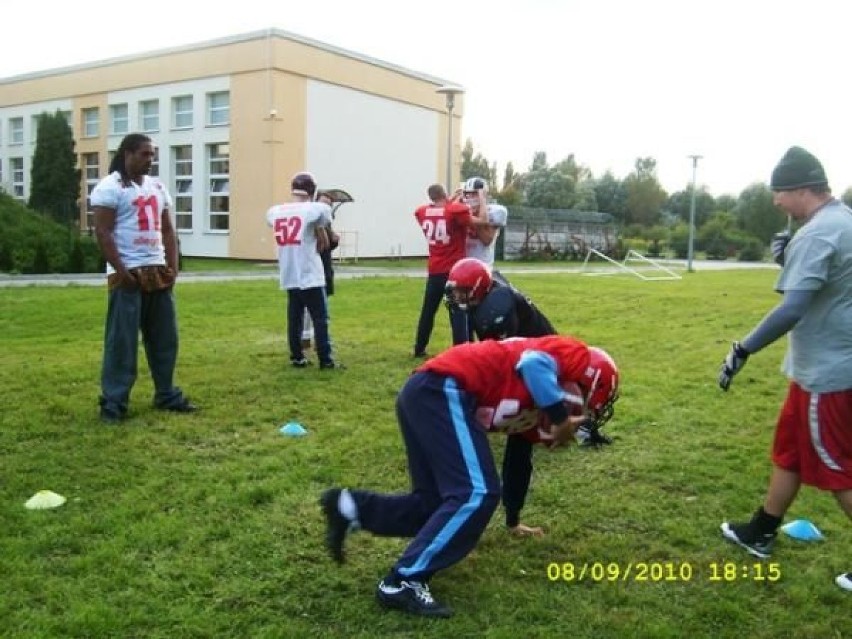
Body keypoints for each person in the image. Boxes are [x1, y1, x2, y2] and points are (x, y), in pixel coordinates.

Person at [320, 336, 620, 617]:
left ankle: (350, 507)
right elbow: (532, 364)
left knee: (435, 505)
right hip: (442, 388)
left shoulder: (537, 402)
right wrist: (560, 417)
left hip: (428, 394)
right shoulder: (574, 355)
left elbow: (518, 460)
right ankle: (403, 581)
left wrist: (513, 520)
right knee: (476, 493)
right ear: (593, 381)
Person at [716, 146, 852, 592]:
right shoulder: (842, 222)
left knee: (839, 471)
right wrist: (786, 259)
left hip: (828, 375)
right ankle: (762, 529)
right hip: (821, 368)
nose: (775, 201)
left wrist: (744, 348)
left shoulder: (818, 234)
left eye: (779, 192)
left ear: (799, 189)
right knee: (790, 451)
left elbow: (792, 308)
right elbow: (830, 285)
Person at [445, 257, 611, 447]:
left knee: (527, 400)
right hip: (532, 352)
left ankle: (579, 428)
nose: (456, 296)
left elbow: (506, 359)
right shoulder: (490, 292)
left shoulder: (496, 309)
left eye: (462, 291)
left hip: (541, 357)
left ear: (477, 287)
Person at [91, 133, 196, 423]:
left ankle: (166, 393)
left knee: (165, 338)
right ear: (128, 154)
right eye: (145, 154)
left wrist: (173, 268)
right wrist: (121, 272)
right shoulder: (109, 188)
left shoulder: (157, 187)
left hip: (157, 271)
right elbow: (102, 232)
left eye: (152, 154)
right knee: (122, 343)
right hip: (128, 274)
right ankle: (113, 402)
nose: (150, 159)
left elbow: (167, 231)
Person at [265, 172, 342, 369]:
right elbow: (324, 216)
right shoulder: (314, 209)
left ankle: (296, 355)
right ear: (312, 190)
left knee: (295, 318)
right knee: (320, 319)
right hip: (309, 272)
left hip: (289, 272)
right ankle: (326, 359)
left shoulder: (276, 211)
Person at [412, 183, 486, 357]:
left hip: (434, 270)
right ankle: (460, 350)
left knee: (428, 311)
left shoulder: (422, 212)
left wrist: (450, 200)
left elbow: (440, 212)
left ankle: (419, 347)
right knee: (458, 311)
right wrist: (481, 197)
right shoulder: (455, 210)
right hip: (453, 271)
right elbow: (482, 221)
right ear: (445, 194)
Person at [300, 191, 340, 350]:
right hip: (312, 270)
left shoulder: (326, 223)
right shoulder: (311, 221)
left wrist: (334, 240)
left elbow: (328, 247)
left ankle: (318, 339)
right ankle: (306, 337)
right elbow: (319, 246)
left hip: (325, 269)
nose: (326, 207)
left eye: (329, 205)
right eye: (323, 203)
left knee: (322, 308)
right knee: (310, 308)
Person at [461, 176, 509, 282]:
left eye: (474, 193)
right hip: (462, 267)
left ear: (483, 195)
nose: (470, 197)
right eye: (467, 194)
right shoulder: (461, 212)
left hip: (483, 267)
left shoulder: (495, 211)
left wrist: (474, 218)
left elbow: (486, 240)